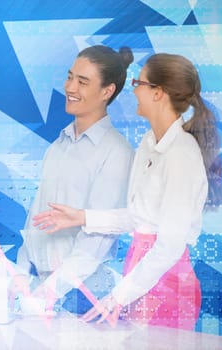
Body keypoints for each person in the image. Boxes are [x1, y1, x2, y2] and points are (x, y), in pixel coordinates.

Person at [32, 53, 222, 330]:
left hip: (165, 281)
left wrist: (119, 296)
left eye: (138, 83)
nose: (132, 90)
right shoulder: (148, 143)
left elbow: (169, 245)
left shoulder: (182, 153)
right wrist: (82, 217)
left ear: (158, 93)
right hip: (139, 272)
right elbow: (139, 217)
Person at [12, 46, 135, 315]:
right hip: (40, 293)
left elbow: (98, 242)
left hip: (81, 296)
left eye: (83, 82)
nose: (70, 87)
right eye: (70, 77)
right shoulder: (58, 144)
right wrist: (20, 277)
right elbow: (36, 217)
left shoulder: (116, 152)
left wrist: (48, 294)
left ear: (107, 91)